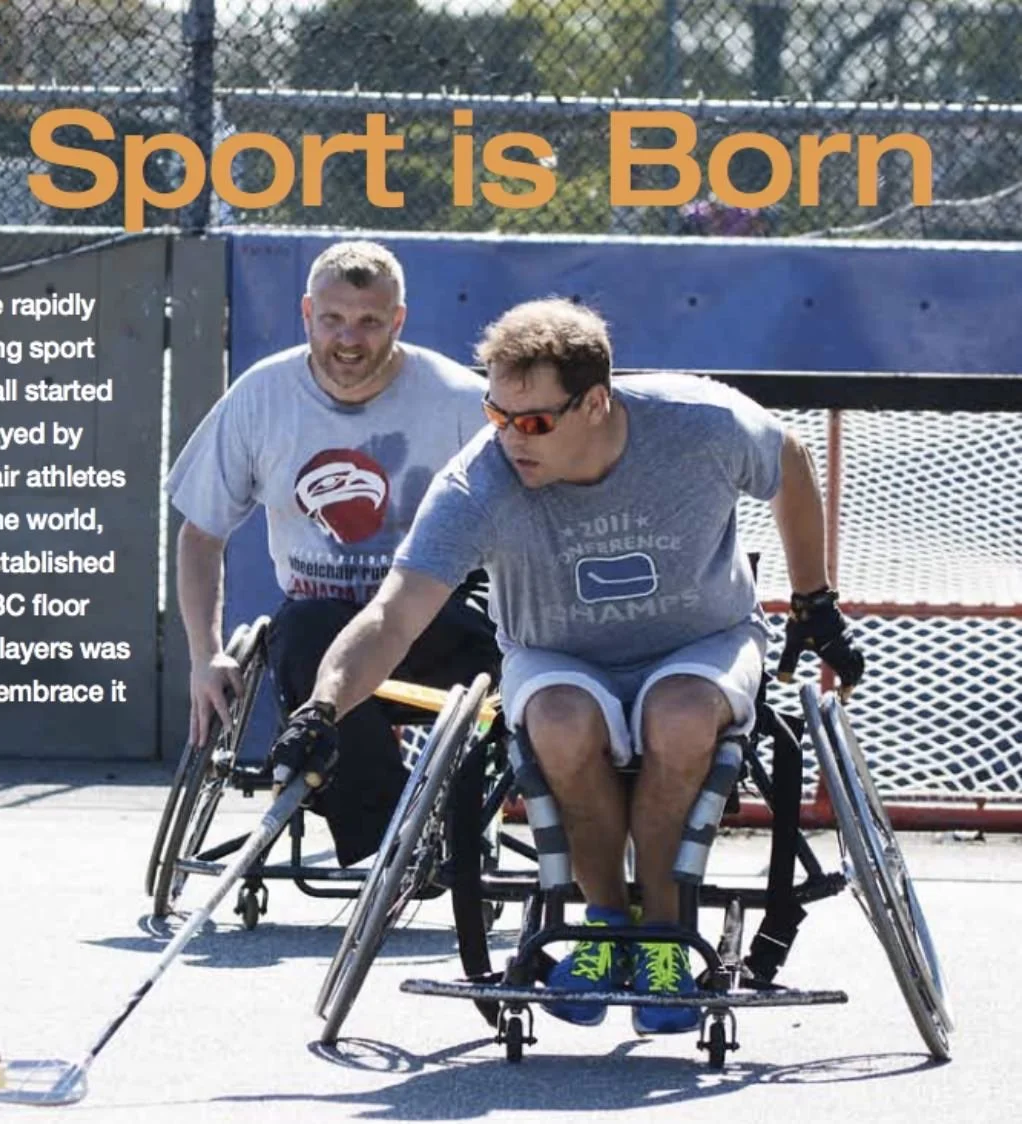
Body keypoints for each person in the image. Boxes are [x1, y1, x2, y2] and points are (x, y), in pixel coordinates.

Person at [269, 296, 864, 1033]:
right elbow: (392, 615)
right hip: (558, 652)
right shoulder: (478, 482)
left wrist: (814, 600)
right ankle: (606, 925)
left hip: (701, 641)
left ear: (595, 403)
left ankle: (662, 937)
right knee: (556, 722)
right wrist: (321, 708)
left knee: (677, 716)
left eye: (535, 422)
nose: (513, 440)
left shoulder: (699, 424)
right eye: (497, 415)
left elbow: (792, 462)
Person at [166, 240, 498, 869]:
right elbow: (201, 535)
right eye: (333, 319)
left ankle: (409, 823)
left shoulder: (460, 401)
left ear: (398, 320)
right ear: (306, 313)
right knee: (306, 629)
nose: (350, 338)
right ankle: (391, 842)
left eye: (370, 321)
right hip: (322, 634)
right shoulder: (262, 397)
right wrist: (205, 655)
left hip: (438, 624)